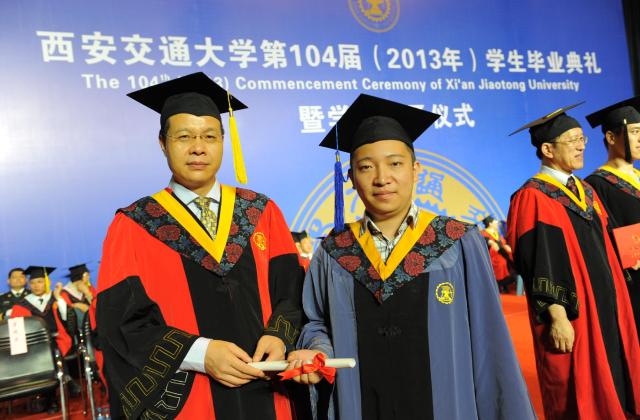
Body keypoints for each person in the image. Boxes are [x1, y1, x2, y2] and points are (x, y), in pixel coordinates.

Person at [288, 94, 535, 420]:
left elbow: (490, 341)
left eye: (395, 163)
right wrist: (318, 349)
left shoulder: (456, 240)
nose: (382, 178)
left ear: (416, 170)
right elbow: (316, 322)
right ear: (350, 178)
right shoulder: (335, 251)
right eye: (365, 167)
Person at [96, 72, 306, 419]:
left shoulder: (261, 211)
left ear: (223, 140)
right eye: (184, 137)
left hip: (267, 391)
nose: (198, 147)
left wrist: (280, 336)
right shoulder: (135, 224)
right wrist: (199, 353)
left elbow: (292, 292)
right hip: (190, 401)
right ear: (162, 143)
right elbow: (119, 325)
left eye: (209, 136)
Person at [507, 103, 640, 419]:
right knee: (577, 392)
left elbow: (610, 242)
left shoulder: (586, 191)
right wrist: (557, 316)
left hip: (608, 308)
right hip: (574, 314)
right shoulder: (533, 196)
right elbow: (537, 262)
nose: (582, 146)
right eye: (573, 140)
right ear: (548, 149)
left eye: (583, 139)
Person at [584, 96, 640, 340]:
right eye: (635, 132)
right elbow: (600, 234)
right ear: (611, 137)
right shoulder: (596, 184)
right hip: (631, 281)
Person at [10, 266, 74, 356]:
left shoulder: (58, 297)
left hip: (58, 340)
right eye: (32, 283)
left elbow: (68, 318)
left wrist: (58, 297)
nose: (36, 286)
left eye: (40, 282)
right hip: (34, 345)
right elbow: (17, 334)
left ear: (47, 282)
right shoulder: (21, 305)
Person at [480, 215, 516, 293]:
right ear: (490, 223)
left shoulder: (497, 233)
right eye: (495, 222)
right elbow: (484, 242)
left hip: (501, 254)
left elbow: (503, 243)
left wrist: (505, 245)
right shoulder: (483, 233)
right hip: (490, 256)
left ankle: (504, 283)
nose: (497, 223)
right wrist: (490, 242)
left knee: (512, 259)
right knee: (501, 262)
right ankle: (499, 283)